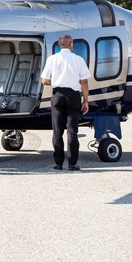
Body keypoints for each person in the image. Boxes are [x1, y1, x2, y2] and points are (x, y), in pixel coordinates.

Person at [40, 34, 91, 171]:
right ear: (70, 43)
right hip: (73, 96)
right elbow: (84, 82)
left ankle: (58, 163)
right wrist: (86, 100)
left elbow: (44, 80)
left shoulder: (52, 59)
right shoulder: (78, 60)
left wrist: (56, 81)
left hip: (57, 94)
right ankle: (72, 164)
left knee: (57, 131)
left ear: (59, 44)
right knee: (72, 131)